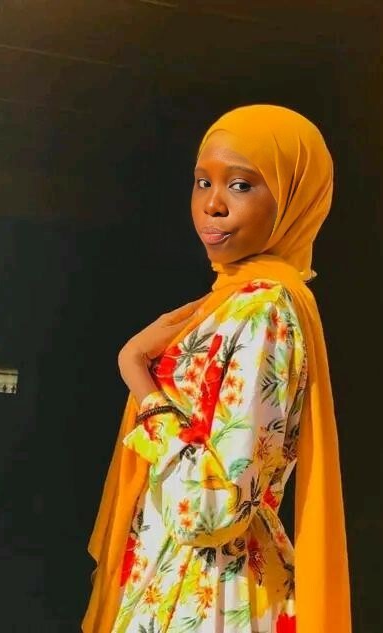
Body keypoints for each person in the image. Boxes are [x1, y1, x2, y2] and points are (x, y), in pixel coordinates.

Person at [82, 104, 352, 633]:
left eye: (242, 185)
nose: (213, 204)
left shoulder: (263, 310)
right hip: (180, 581)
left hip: (211, 596)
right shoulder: (228, 303)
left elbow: (211, 510)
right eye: (203, 181)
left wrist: (138, 375)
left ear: (295, 197)